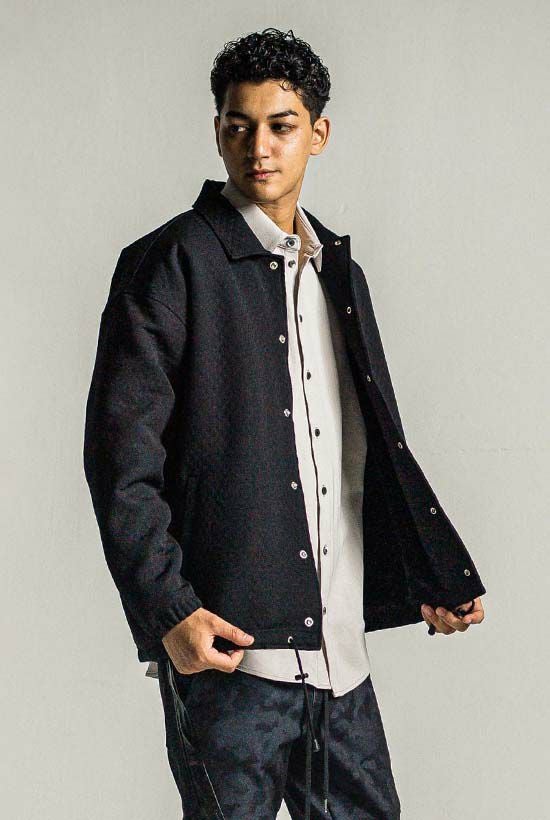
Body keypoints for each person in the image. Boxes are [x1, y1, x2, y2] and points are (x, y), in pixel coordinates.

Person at [83, 27, 487, 820]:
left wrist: (426, 575)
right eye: (239, 126)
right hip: (231, 662)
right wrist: (169, 612)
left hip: (340, 664)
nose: (259, 147)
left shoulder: (338, 272)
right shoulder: (172, 263)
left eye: (281, 125)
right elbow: (120, 461)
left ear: (318, 133)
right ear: (218, 132)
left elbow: (363, 450)